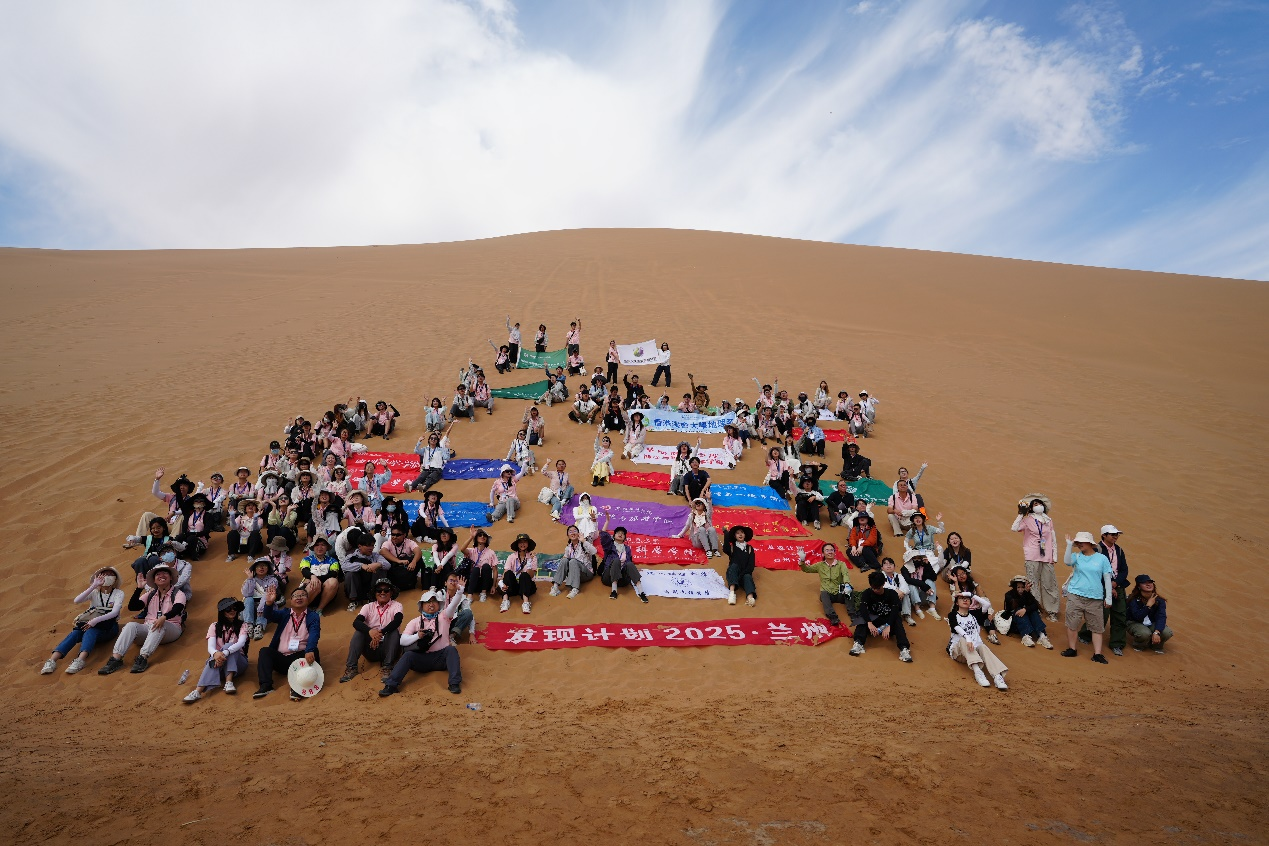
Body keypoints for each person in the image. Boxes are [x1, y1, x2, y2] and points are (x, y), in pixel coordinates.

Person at [97, 563, 187, 675]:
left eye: (165, 573)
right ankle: (116, 659)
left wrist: (164, 617)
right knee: (130, 625)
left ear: (171, 577)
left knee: (159, 624)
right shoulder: (151, 594)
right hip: (149, 628)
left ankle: (142, 658)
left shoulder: (178, 593)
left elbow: (178, 608)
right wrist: (139, 589)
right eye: (158, 574)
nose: (161, 576)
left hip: (171, 627)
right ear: (154, 580)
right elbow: (133, 607)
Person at [379, 584, 466, 696]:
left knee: (451, 650)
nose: (431, 604)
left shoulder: (444, 617)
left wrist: (459, 592)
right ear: (422, 605)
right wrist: (417, 636)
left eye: (434, 601)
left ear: (438, 604)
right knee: (408, 655)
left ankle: (454, 684)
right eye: (428, 602)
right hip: (422, 659)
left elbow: (453, 606)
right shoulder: (415, 622)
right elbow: (402, 641)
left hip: (441, 658)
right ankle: (390, 685)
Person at [41, 566, 126, 675]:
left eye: (110, 574)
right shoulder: (94, 592)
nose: (107, 577)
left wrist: (95, 621)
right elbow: (77, 600)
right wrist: (93, 586)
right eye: (104, 574)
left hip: (109, 627)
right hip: (89, 624)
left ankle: (80, 660)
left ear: (115, 579)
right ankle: (52, 660)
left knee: (91, 631)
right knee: (76, 633)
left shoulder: (118, 593)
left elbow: (114, 612)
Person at [253, 585, 322, 700]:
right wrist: (269, 603)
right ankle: (266, 686)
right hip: (283, 659)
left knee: (314, 650)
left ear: (308, 599)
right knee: (265, 651)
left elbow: (315, 633)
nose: (299, 598)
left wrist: (309, 650)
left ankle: (298, 688)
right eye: (295, 596)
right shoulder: (285, 613)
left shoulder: (312, 616)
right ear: (291, 600)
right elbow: (269, 615)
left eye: (302, 595)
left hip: (301, 659)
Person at [1060, 531, 1114, 664]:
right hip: (1075, 595)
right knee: (1072, 624)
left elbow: (1107, 578)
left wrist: (1108, 597)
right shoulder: (1076, 556)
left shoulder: (1102, 559)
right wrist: (1069, 545)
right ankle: (1072, 649)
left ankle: (1097, 654)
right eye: (1077, 542)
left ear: (1090, 543)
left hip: (1095, 598)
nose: (1079, 544)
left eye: (1082, 542)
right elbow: (1067, 561)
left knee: (1097, 627)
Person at [183, 598, 250, 703]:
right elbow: (210, 647)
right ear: (223, 612)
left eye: (234, 608)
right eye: (228, 609)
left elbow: (241, 643)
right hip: (219, 663)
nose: (232, 610)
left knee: (229, 646)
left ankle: (229, 682)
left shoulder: (242, 625)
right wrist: (215, 654)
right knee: (214, 657)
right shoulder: (214, 626)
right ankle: (197, 691)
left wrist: (224, 653)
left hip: (239, 663)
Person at [340, 579, 404, 683]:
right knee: (359, 633)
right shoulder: (368, 607)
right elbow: (356, 622)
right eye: (379, 590)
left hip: (390, 648)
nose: (382, 592)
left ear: (391, 592)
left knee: (394, 632)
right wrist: (370, 631)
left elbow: (397, 621)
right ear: (375, 593)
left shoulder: (397, 605)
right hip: (372, 648)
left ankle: (387, 668)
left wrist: (380, 633)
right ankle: (351, 668)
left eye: (386, 590)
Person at [1011, 495, 1060, 621]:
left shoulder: (1048, 520)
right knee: (1033, 584)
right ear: (1031, 508)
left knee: (1049, 583)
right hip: (1032, 555)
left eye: (1040, 504)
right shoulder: (1028, 520)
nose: (1038, 506)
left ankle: (1052, 611)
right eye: (1035, 504)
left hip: (1047, 556)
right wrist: (1021, 514)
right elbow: (1014, 528)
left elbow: (1053, 538)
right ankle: (1035, 609)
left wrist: (1054, 556)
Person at [947, 591, 1009, 689]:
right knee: (963, 639)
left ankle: (997, 676)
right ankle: (978, 672)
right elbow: (955, 627)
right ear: (956, 603)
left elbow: (986, 604)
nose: (965, 600)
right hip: (959, 652)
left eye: (967, 599)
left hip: (974, 652)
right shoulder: (953, 615)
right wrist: (968, 638)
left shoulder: (974, 615)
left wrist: (970, 594)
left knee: (982, 647)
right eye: (961, 598)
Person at [1084, 525, 1129, 655]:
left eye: (1117, 534)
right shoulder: (1096, 549)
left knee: (1120, 615)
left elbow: (1124, 570)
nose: (1115, 537)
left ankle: (1117, 644)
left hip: (1118, 586)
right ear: (1104, 535)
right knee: (1099, 614)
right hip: (1100, 586)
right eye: (1112, 534)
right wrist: (1108, 585)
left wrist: (1115, 583)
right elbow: (1094, 570)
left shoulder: (1119, 550)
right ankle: (1085, 635)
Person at [850, 571, 912, 662]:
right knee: (862, 618)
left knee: (897, 620)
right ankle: (858, 643)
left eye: (878, 588)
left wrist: (888, 625)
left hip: (888, 621)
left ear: (883, 584)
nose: (875, 590)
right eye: (873, 588)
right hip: (873, 621)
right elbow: (863, 608)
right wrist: (869, 623)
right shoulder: (867, 593)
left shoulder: (892, 594)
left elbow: (895, 611)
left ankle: (904, 649)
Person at [595, 512, 649, 602]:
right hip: (608, 577)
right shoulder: (610, 545)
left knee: (630, 564)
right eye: (618, 533)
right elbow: (603, 534)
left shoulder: (627, 549)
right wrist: (607, 521)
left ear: (624, 538)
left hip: (622, 579)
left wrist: (634, 569)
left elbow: (629, 562)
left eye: (623, 534)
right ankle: (614, 591)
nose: (620, 534)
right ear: (614, 535)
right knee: (616, 560)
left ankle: (641, 592)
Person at [796, 544, 854, 628]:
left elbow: (845, 575)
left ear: (834, 552)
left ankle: (853, 614)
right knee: (824, 594)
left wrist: (847, 584)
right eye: (827, 550)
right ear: (823, 553)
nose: (830, 552)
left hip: (840, 593)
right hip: (828, 594)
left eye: (831, 550)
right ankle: (833, 617)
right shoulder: (819, 565)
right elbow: (807, 569)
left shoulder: (841, 564)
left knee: (850, 590)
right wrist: (802, 560)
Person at [1002, 575, 1052, 649]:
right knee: (1019, 610)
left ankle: (1042, 635)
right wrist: (1025, 595)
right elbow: (1016, 605)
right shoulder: (1008, 595)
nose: (1020, 590)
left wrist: (1025, 609)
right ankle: (1026, 636)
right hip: (1014, 623)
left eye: (1022, 587)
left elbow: (1035, 605)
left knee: (1033, 611)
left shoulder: (1027, 594)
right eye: (1018, 587)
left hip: (1028, 621)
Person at [1126, 574, 1172, 653]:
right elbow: (1137, 616)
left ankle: (1156, 646)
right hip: (1134, 622)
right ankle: (1139, 646)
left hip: (1151, 623)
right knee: (1144, 633)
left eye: (1150, 582)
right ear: (1139, 586)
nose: (1148, 584)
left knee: (1167, 632)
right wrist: (1148, 606)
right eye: (1144, 583)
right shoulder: (1133, 599)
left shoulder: (1159, 600)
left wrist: (1157, 632)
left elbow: (1161, 617)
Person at [498, 533, 540, 614]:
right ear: (517, 544)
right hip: (514, 586)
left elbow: (531, 575)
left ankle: (526, 603)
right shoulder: (511, 557)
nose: (522, 544)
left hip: (526, 585)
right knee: (508, 573)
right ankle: (505, 601)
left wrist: (529, 562)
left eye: (525, 542)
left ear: (528, 544)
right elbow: (506, 572)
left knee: (524, 575)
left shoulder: (532, 557)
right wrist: (501, 583)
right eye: (520, 542)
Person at [551, 524, 596, 598]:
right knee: (564, 560)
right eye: (570, 532)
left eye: (575, 531)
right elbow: (564, 561)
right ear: (568, 535)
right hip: (574, 574)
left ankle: (575, 589)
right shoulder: (568, 548)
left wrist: (584, 541)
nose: (573, 533)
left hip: (586, 574)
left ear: (578, 533)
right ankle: (555, 586)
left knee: (573, 561)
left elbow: (594, 551)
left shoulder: (584, 544)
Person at [299, 536, 343, 612]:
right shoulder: (307, 559)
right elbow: (304, 571)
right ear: (313, 547)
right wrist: (312, 577)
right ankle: (301, 611)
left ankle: (319, 609)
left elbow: (334, 573)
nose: (320, 547)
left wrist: (316, 579)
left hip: (327, 592)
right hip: (310, 589)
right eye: (317, 545)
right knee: (315, 584)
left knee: (333, 581)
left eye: (323, 545)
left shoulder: (333, 561)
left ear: (327, 547)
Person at [405, 424, 453, 493]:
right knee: (421, 477)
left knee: (430, 478)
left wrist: (447, 449)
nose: (433, 440)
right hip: (427, 468)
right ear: (429, 440)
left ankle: (423, 487)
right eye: (432, 438)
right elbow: (416, 451)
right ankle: (411, 487)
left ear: (437, 441)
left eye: (435, 439)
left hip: (437, 469)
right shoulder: (425, 449)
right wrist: (419, 442)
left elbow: (447, 457)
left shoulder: (440, 450)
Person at [242, 557, 280, 640]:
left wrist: (260, 608)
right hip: (252, 609)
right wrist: (250, 579)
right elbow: (247, 594)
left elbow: (269, 594)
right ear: (255, 569)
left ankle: (259, 627)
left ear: (268, 568)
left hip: (266, 608)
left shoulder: (273, 580)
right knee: (248, 599)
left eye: (264, 566)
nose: (261, 568)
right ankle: (249, 626)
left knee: (265, 600)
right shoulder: (249, 580)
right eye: (259, 566)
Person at [722, 525, 758, 607]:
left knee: (747, 577)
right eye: (737, 533)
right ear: (735, 536)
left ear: (745, 535)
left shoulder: (750, 548)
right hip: (734, 573)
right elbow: (725, 549)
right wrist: (726, 533)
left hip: (744, 573)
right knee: (733, 566)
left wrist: (741, 575)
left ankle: (750, 598)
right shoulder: (732, 547)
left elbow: (751, 566)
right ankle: (732, 594)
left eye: (742, 532)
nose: (740, 534)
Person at [901, 549, 941, 621]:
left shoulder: (923, 566)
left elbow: (934, 577)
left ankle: (932, 608)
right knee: (911, 586)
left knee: (930, 581)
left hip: (924, 594)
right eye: (914, 558)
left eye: (919, 558)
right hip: (912, 597)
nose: (917, 560)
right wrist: (923, 585)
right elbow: (908, 580)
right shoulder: (905, 568)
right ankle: (917, 609)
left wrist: (928, 565)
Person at [463, 528, 498, 603]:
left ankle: (483, 593)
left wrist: (493, 586)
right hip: (472, 581)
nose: (482, 537)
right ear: (476, 538)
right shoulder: (471, 551)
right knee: (476, 569)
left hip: (485, 582)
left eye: (484, 536)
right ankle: (469, 596)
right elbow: (462, 549)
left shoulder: (491, 552)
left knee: (486, 566)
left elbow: (495, 570)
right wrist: (471, 537)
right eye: (480, 535)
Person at [541, 458, 574, 522]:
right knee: (557, 502)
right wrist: (547, 463)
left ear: (565, 466)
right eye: (559, 464)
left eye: (563, 464)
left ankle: (563, 501)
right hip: (554, 494)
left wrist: (570, 493)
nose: (561, 466)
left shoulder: (566, 474)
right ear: (556, 466)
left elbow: (568, 484)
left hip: (563, 494)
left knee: (571, 487)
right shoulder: (552, 473)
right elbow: (543, 471)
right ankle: (555, 512)